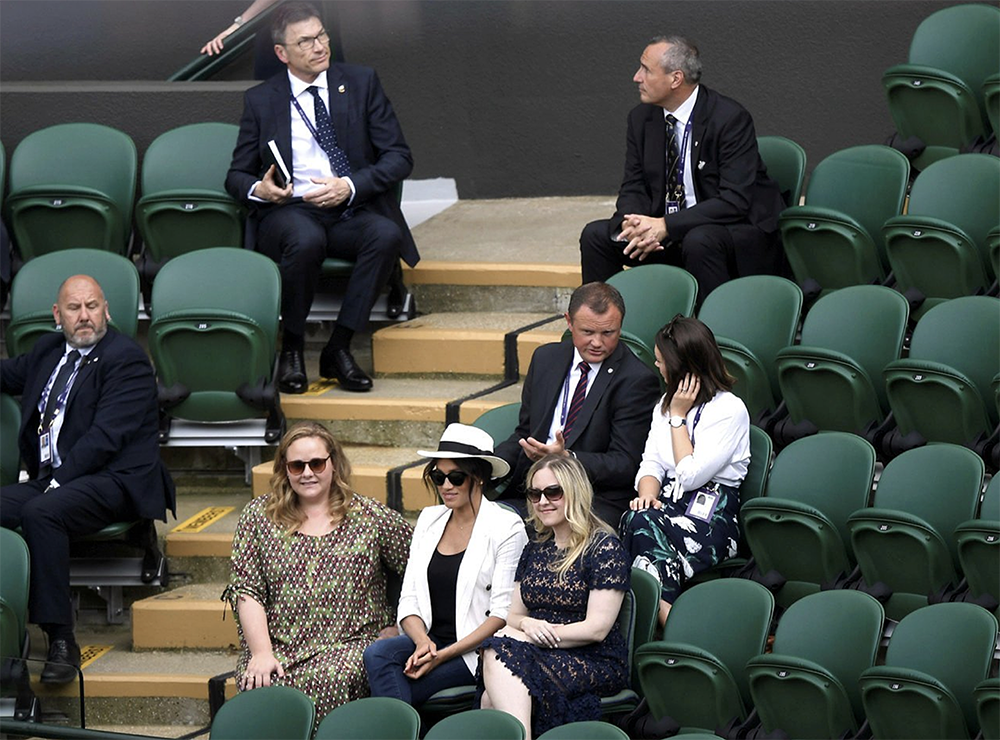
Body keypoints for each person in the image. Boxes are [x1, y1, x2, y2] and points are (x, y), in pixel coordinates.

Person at [226, 1, 417, 395]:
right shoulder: (262, 100)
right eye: (306, 41)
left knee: (384, 235)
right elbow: (235, 175)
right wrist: (258, 189)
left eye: (322, 35)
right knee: (306, 238)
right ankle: (292, 347)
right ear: (282, 53)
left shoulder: (361, 83)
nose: (319, 47)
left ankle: (339, 347)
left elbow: (399, 157)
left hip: (348, 205)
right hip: (290, 210)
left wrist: (350, 186)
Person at [0, 275, 175, 684]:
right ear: (57, 315)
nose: (85, 317)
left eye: (92, 306)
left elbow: (104, 439)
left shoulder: (126, 359)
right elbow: (8, 374)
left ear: (107, 310)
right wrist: (53, 481)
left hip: (115, 479)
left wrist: (55, 482)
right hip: (57, 478)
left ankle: (61, 640)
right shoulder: (48, 350)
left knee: (42, 512)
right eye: (74, 309)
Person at [225, 421, 412, 721]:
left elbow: (422, 568)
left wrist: (403, 628)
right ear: (284, 469)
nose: (308, 473)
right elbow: (247, 590)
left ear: (334, 464)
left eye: (316, 463)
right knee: (259, 681)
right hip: (277, 646)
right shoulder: (258, 517)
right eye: (297, 466)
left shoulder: (369, 517)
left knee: (331, 679)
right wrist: (261, 653)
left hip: (349, 645)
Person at [579, 35, 785, 302]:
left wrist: (667, 225)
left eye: (646, 70)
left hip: (727, 230)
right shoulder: (641, 119)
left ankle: (707, 336)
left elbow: (735, 201)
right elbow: (634, 184)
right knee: (596, 236)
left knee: (698, 241)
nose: (636, 77)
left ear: (675, 79)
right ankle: (601, 329)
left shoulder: (729, 118)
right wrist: (633, 224)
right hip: (668, 231)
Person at [363, 423, 528, 706]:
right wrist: (422, 642)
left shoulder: (507, 527)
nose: (446, 486)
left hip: (473, 651)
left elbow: (500, 615)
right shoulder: (429, 519)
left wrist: (443, 654)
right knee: (376, 654)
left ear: (478, 477)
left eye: (456, 477)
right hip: (430, 640)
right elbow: (409, 598)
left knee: (397, 687)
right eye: (439, 477)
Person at [479, 454, 630, 740]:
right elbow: (513, 615)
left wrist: (537, 635)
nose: (543, 501)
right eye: (535, 494)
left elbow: (596, 629)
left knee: (496, 666)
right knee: (491, 693)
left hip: (590, 657)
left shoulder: (603, 547)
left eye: (553, 492)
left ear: (574, 491)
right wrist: (527, 626)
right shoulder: (536, 548)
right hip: (537, 649)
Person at [494, 282, 661, 526]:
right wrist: (488, 466)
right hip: (535, 493)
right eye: (587, 332)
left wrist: (568, 458)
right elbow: (525, 432)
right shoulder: (545, 359)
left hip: (591, 499)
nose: (597, 342)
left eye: (608, 333)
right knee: (481, 521)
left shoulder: (636, 379)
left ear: (620, 326)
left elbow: (626, 463)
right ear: (569, 322)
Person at [620, 316, 750, 625]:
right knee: (636, 517)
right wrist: (647, 497)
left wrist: (678, 418)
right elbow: (650, 462)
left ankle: (664, 623)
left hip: (711, 519)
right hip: (666, 506)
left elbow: (691, 475)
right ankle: (670, 621)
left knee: (641, 529)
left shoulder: (729, 410)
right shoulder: (664, 405)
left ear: (682, 367)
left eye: (662, 360)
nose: (656, 364)